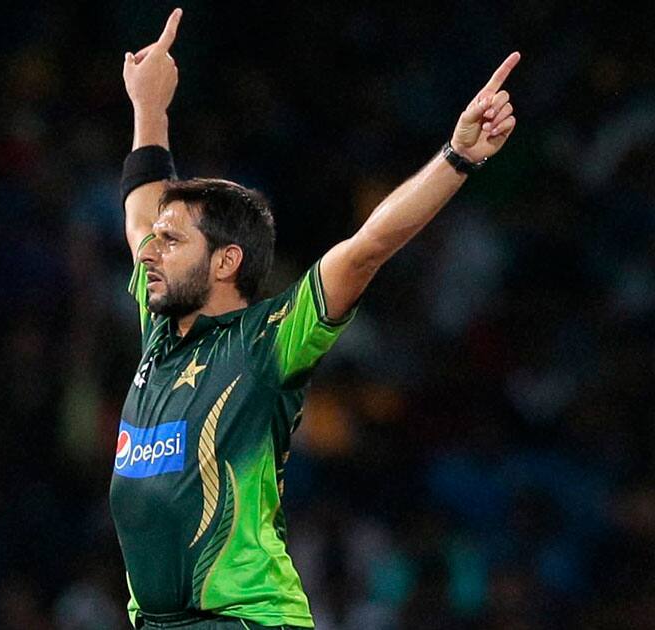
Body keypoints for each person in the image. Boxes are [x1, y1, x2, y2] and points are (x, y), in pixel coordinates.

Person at [109, 8, 520, 629]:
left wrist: (457, 158)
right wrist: (149, 106)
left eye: (172, 241)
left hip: (250, 621)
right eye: (156, 239)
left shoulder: (269, 341)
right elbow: (142, 210)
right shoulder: (159, 326)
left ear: (226, 262)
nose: (149, 249)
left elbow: (368, 246)